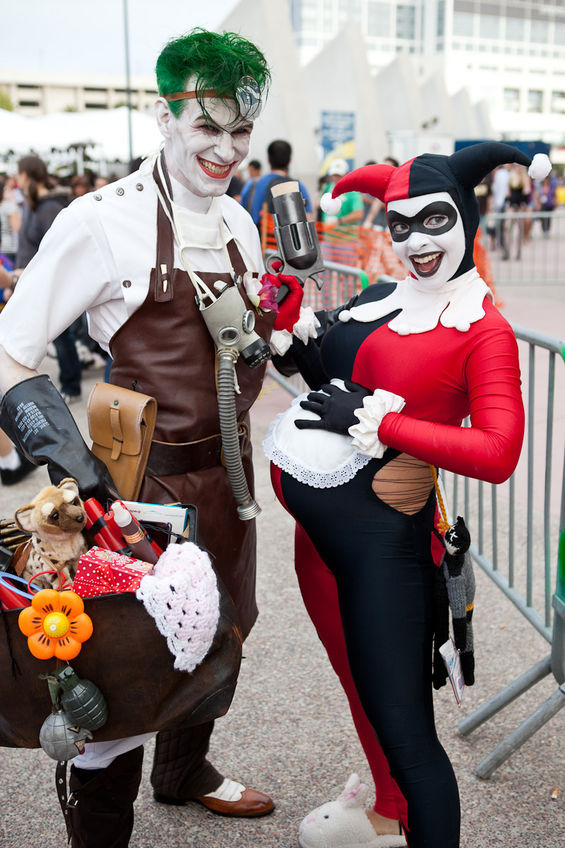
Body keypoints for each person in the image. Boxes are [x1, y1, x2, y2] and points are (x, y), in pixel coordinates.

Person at [0, 27, 287, 847]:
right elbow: (9, 352)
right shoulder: (100, 222)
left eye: (240, 129)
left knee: (229, 626)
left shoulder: (239, 219)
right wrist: (71, 460)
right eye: (208, 126)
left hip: (228, 483)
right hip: (138, 491)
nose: (226, 148)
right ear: (164, 117)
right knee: (122, 669)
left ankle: (183, 770)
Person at [264, 142, 544, 847]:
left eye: (434, 220)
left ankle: (411, 817)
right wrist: (290, 332)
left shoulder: (481, 329)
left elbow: (498, 452)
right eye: (400, 224)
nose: (416, 241)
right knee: (358, 688)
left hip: (385, 545)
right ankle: (388, 815)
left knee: (409, 733)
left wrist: (382, 423)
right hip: (318, 542)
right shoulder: (382, 295)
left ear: (469, 217)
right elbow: (330, 372)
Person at [12, 155, 83, 403]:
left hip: (48, 283)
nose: (16, 179)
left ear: (27, 175)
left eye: (18, 174)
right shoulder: (34, 204)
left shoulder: (49, 207)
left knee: (63, 336)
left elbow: (56, 250)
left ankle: (72, 386)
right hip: (30, 281)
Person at [240, 139, 312, 226]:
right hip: (287, 238)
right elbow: (307, 218)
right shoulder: (297, 186)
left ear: (268, 160)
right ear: (290, 160)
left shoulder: (252, 184)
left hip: (258, 238)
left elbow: (241, 214)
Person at [318, 158, 364, 226]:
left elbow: (358, 214)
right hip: (327, 234)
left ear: (346, 174)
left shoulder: (352, 191)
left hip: (346, 235)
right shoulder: (327, 187)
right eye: (334, 175)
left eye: (339, 175)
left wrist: (339, 220)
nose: (336, 178)